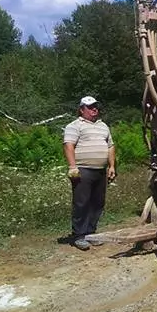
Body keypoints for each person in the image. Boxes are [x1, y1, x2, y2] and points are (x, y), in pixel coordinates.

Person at [62, 95, 116, 250]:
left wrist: (111, 166)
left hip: (100, 170)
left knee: (98, 202)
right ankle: (79, 235)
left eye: (96, 107)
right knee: (81, 203)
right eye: (90, 107)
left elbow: (110, 146)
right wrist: (72, 166)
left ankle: (91, 232)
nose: (94, 109)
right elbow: (68, 145)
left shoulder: (103, 126)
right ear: (81, 109)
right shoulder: (74, 125)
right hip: (82, 170)